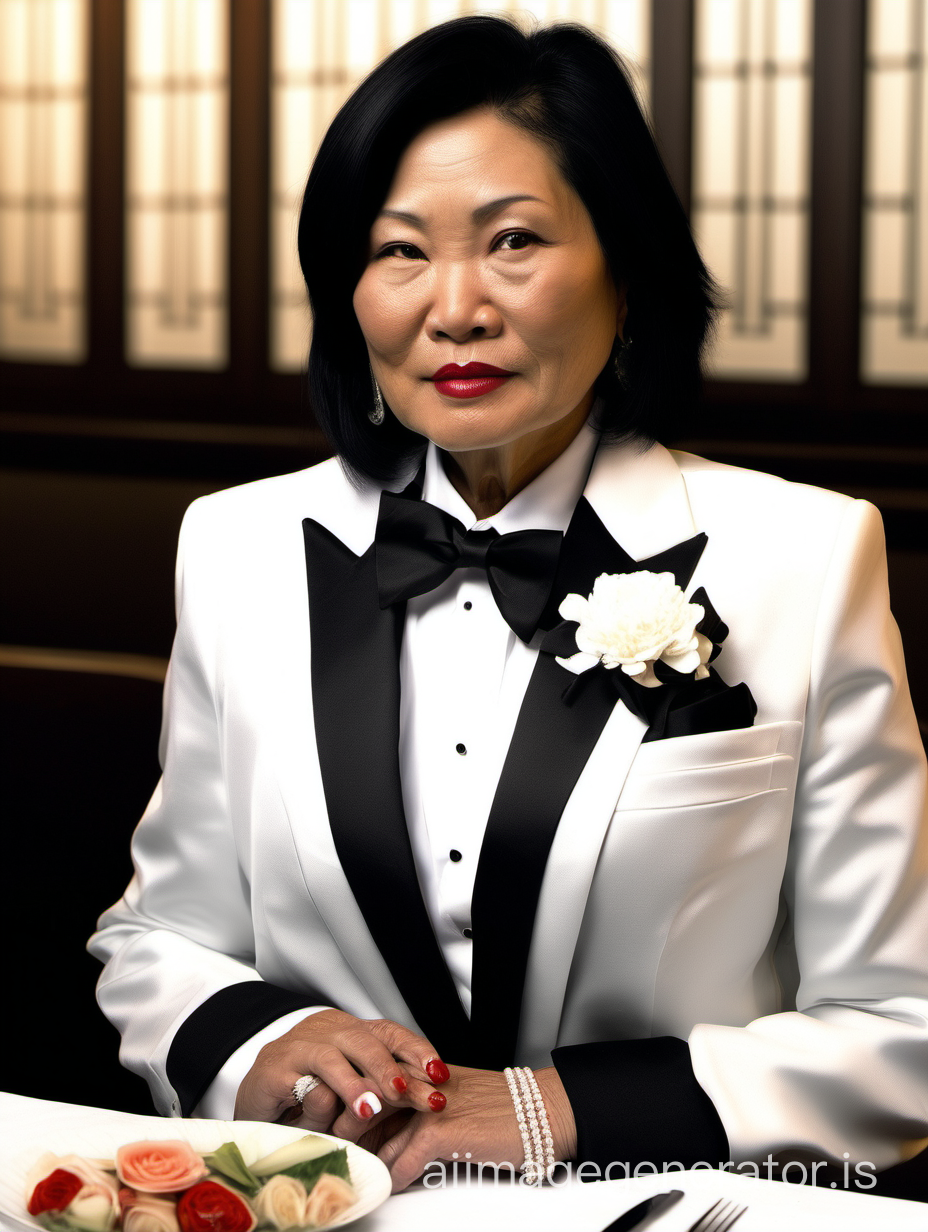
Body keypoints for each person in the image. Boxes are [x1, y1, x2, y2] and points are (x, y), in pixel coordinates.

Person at [90, 15, 928, 1195]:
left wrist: (550, 1109)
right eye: (399, 252)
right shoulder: (236, 544)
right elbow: (156, 937)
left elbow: (901, 1026)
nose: (457, 306)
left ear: (625, 269)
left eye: (515, 241)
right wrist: (252, 1039)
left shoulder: (805, 553)